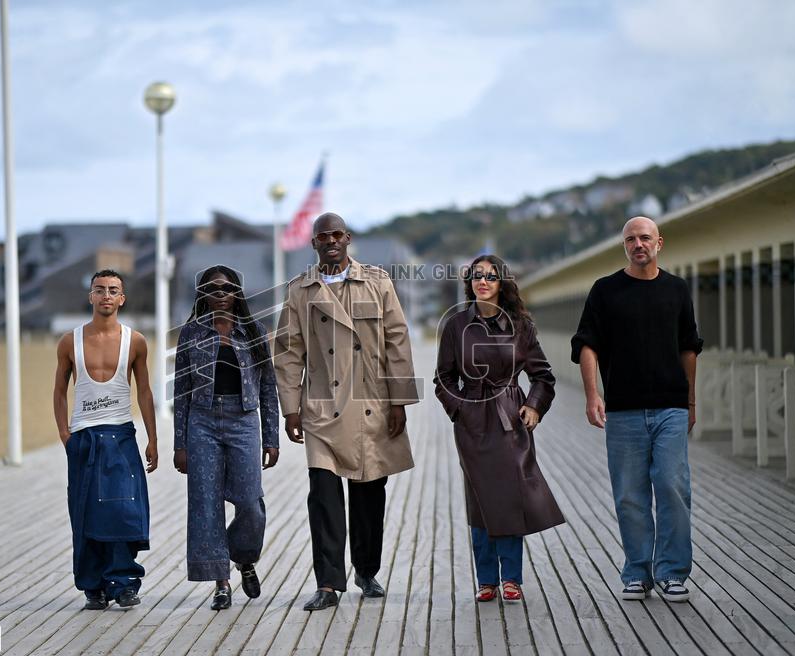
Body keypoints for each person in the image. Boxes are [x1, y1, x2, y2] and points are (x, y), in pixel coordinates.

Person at [274, 212, 420, 611]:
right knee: (322, 496)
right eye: (323, 236)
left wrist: (400, 401)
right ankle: (328, 584)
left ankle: (366, 569)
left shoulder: (377, 282)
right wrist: (290, 409)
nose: (331, 241)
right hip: (321, 406)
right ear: (314, 243)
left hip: (372, 402)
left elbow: (397, 341)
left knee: (370, 494)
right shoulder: (300, 291)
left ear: (348, 238)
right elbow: (288, 353)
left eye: (337, 234)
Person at [571, 216, 703, 603]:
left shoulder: (677, 289)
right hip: (624, 410)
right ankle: (637, 573)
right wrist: (593, 395)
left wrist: (691, 401)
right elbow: (587, 345)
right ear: (624, 246)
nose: (638, 244)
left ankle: (673, 572)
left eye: (645, 238)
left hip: (670, 408)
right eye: (631, 239)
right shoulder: (605, 290)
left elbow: (689, 347)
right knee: (629, 493)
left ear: (659, 243)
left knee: (673, 487)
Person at [435, 255, 565, 603]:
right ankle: (487, 580)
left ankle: (511, 578)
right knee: (479, 500)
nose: (483, 281)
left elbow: (543, 376)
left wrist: (534, 405)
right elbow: (443, 379)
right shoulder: (456, 326)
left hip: (510, 421)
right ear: (470, 283)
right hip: (473, 422)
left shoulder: (521, 326)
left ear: (501, 283)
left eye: (490, 277)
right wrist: (460, 409)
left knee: (510, 498)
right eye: (477, 276)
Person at [172, 265, 279, 611]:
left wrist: (270, 437)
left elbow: (267, 387)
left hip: (243, 420)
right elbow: (182, 391)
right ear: (203, 294)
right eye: (213, 289)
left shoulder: (254, 330)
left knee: (250, 502)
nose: (220, 294)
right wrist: (180, 444)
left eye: (227, 288)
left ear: (237, 294)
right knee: (206, 504)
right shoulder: (191, 333)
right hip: (202, 422)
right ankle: (221, 582)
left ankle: (243, 556)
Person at [53, 269, 158, 610]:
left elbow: (144, 391)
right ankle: (93, 586)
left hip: (122, 434)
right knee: (85, 513)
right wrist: (65, 435)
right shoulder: (70, 341)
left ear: (122, 298)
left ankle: (125, 582)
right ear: (91, 296)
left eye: (113, 290)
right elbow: (58, 391)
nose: (107, 296)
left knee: (125, 510)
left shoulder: (136, 341)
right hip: (84, 436)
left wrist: (152, 438)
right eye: (100, 290)